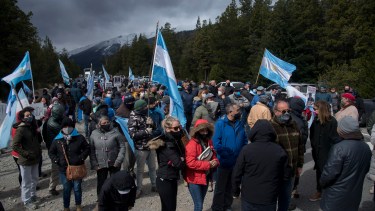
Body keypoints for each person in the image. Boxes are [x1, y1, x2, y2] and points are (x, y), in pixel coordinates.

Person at [232, 120, 288, 211]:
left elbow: (237, 173)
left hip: (249, 195)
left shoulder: (247, 150)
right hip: (269, 195)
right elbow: (285, 175)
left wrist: (235, 191)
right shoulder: (279, 150)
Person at [320, 116, 371, 211]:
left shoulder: (339, 148)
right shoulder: (365, 147)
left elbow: (329, 174)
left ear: (344, 130)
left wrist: (322, 183)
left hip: (336, 195)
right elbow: (365, 169)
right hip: (355, 193)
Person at [211, 103, 248, 211]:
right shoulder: (220, 124)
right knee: (220, 188)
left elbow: (244, 140)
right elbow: (216, 143)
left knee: (231, 186)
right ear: (230, 112)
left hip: (237, 162)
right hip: (224, 162)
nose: (239, 112)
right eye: (237, 110)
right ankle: (217, 207)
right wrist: (226, 155)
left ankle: (227, 206)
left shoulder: (240, 124)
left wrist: (242, 154)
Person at [49, 118, 90, 211]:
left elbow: (87, 148)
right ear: (62, 127)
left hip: (77, 168)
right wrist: (57, 161)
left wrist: (81, 157)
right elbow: (51, 152)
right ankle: (66, 207)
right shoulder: (57, 140)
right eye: (65, 126)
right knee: (66, 188)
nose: (67, 128)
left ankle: (78, 205)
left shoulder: (80, 138)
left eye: (70, 126)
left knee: (77, 188)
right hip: (63, 169)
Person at [270, 100, 304, 211]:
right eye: (283, 111)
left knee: (285, 198)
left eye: (288, 110)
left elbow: (300, 146)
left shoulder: (294, 124)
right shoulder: (270, 127)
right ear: (276, 112)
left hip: (291, 170)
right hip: (276, 171)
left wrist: (300, 165)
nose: (287, 113)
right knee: (272, 199)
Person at [147, 116, 186, 211]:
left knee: (170, 208)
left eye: (180, 127)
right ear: (168, 129)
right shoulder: (167, 143)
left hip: (172, 178)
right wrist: (183, 159)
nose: (178, 130)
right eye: (176, 128)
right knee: (169, 208)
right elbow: (179, 164)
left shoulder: (175, 139)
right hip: (165, 180)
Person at [308, 101, 340, 202]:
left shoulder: (332, 121)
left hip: (328, 152)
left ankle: (327, 192)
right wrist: (314, 145)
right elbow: (312, 135)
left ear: (321, 109)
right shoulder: (316, 121)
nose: (314, 111)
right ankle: (319, 190)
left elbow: (335, 138)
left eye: (316, 109)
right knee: (319, 172)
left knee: (328, 173)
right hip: (317, 151)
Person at [185, 119, 219, 211]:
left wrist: (215, 161)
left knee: (200, 203)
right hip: (194, 179)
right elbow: (190, 163)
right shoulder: (192, 144)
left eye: (206, 130)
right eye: (202, 130)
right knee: (199, 205)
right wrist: (208, 164)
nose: (204, 132)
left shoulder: (208, 141)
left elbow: (213, 155)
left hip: (205, 176)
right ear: (197, 131)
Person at [12, 107, 42, 210]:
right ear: (23, 118)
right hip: (26, 160)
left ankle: (33, 196)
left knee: (35, 178)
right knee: (26, 182)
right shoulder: (21, 129)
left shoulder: (32, 126)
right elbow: (15, 145)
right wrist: (26, 154)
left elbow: (38, 141)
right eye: (27, 115)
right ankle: (26, 200)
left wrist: (38, 132)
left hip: (35, 158)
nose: (30, 117)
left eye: (30, 115)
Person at [90, 115, 126, 198]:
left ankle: (115, 199)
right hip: (100, 163)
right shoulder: (94, 134)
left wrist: (118, 161)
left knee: (115, 182)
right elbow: (91, 150)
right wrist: (94, 164)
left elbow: (122, 147)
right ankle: (101, 199)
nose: (106, 124)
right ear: (99, 124)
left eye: (107, 122)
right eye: (103, 123)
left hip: (114, 162)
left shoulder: (116, 132)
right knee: (101, 183)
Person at [128, 99, 158, 198]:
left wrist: (152, 124)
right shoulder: (133, 118)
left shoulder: (145, 115)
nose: (147, 108)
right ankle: (139, 188)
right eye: (145, 107)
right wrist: (146, 131)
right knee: (140, 170)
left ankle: (154, 185)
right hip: (141, 148)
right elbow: (132, 135)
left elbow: (154, 128)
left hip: (151, 145)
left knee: (153, 167)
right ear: (140, 108)